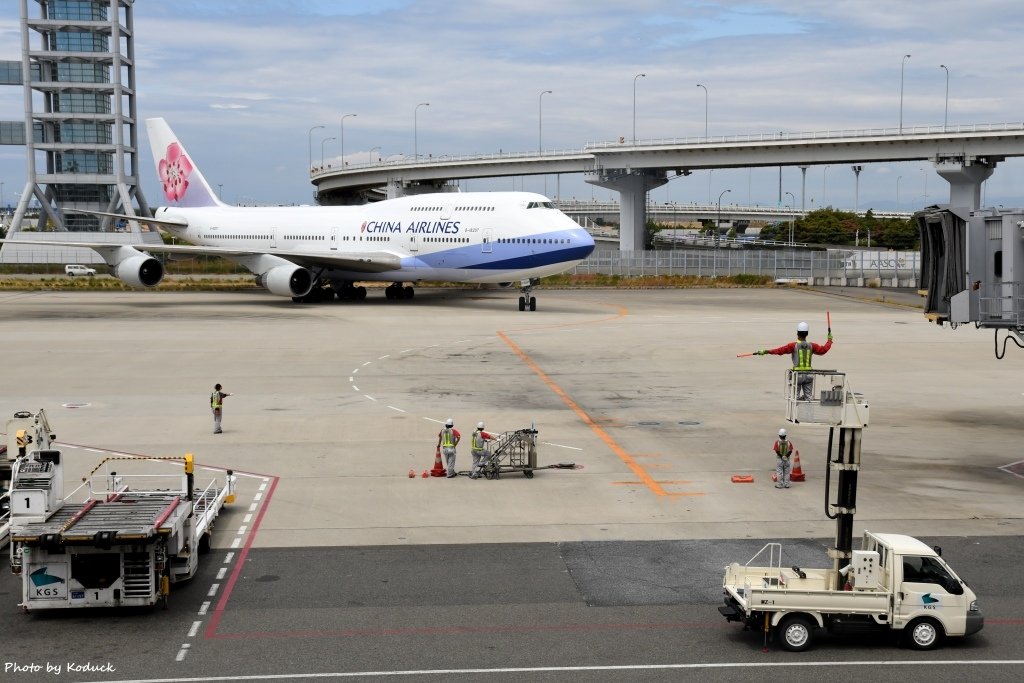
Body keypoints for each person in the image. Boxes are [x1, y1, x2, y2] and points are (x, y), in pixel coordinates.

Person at [753, 321, 833, 400]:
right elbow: (823, 350)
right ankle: (808, 408)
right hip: (809, 375)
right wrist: (829, 340)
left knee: (795, 399)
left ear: (797, 333)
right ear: (807, 333)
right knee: (809, 399)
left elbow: (779, 351)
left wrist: (766, 351)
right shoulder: (812, 346)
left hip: (797, 375)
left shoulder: (793, 345)